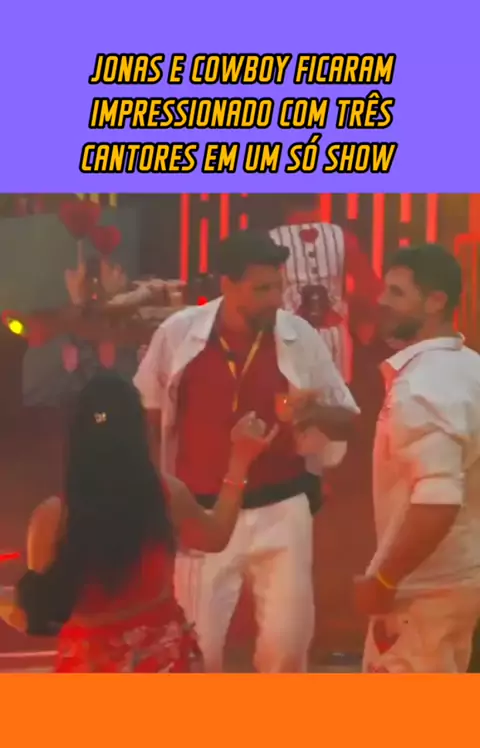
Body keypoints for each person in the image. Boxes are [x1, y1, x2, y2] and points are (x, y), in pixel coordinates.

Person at [134, 229, 360, 673]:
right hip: (202, 511)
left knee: (287, 648)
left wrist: (311, 411)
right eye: (261, 289)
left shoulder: (299, 336)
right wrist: (158, 495)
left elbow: (348, 419)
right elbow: (149, 411)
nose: (275, 299)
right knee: (199, 650)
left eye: (278, 286)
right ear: (227, 284)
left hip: (283, 507)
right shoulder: (178, 334)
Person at [5, 372, 277, 673]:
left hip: (89, 666)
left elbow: (35, 614)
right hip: (162, 660)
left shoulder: (51, 518)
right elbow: (216, 536)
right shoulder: (166, 495)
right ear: (137, 433)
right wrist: (239, 461)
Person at [354, 244, 480, 673]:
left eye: (396, 293)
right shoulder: (469, 368)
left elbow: (437, 503)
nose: (381, 301)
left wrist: (384, 580)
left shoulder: (423, 386)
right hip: (455, 581)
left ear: (435, 301)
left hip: (423, 594)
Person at [269, 209, 382, 384]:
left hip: (289, 333)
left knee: (293, 395)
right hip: (334, 334)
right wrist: (362, 329)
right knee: (337, 396)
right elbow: (368, 288)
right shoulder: (341, 236)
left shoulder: (271, 240)